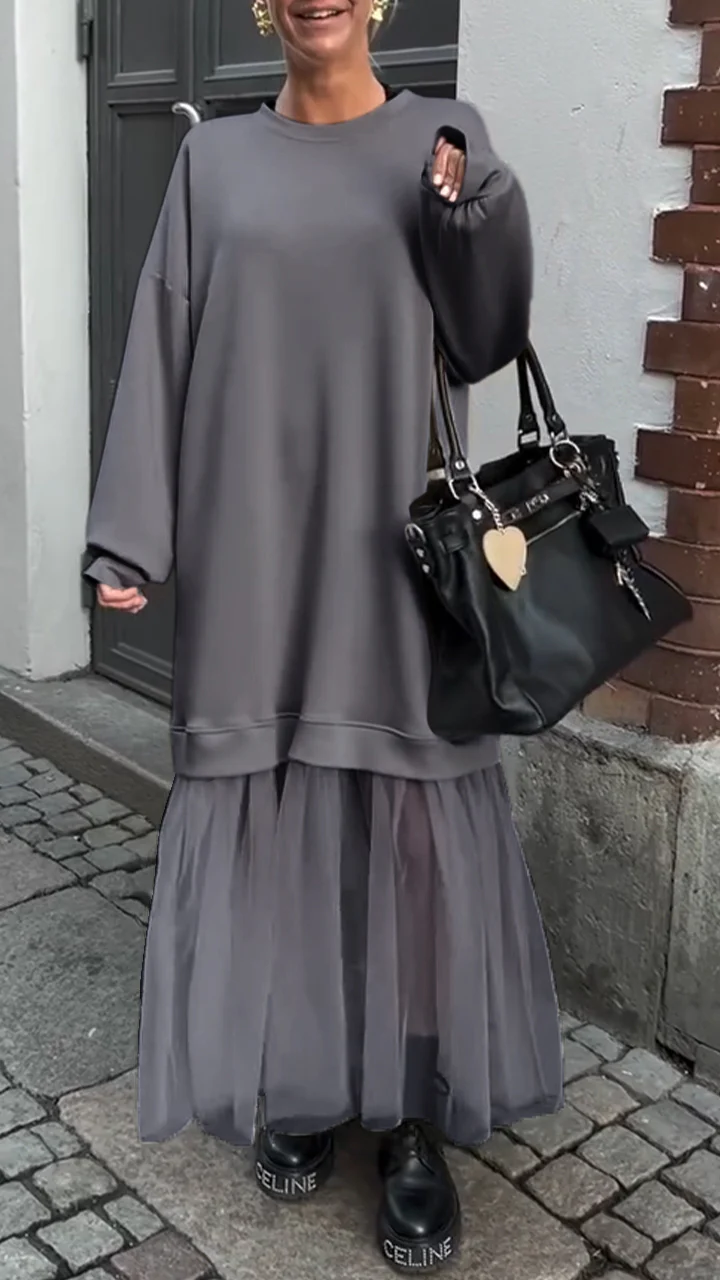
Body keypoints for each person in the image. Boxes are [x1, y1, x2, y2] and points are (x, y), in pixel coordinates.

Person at [84, 0, 563, 1270]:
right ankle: (301, 1077)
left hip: (397, 554)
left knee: (407, 832)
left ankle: (410, 1120)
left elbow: (489, 338)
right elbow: (162, 343)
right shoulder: (213, 161)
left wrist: (476, 213)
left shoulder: (445, 140)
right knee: (281, 809)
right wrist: (130, 536)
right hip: (254, 550)